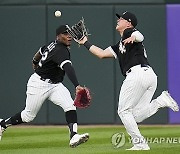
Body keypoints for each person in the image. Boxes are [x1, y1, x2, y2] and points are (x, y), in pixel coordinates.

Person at [77, 11, 179, 150]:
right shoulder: (119, 45)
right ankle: (161, 101)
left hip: (137, 74)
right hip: (149, 76)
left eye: (122, 19)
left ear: (129, 23)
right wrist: (85, 43)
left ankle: (140, 143)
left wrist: (133, 36)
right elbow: (101, 54)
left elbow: (139, 36)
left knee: (123, 111)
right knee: (134, 116)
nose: (118, 20)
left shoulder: (129, 33)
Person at [0, 25, 89, 148]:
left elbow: (40, 51)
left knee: (70, 105)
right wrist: (77, 85)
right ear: (58, 36)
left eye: (70, 33)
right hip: (39, 84)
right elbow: (68, 67)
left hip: (55, 85)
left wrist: (35, 62)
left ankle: (74, 135)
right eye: (65, 33)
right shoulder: (61, 50)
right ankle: (2, 124)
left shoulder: (52, 44)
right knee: (28, 116)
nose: (69, 36)